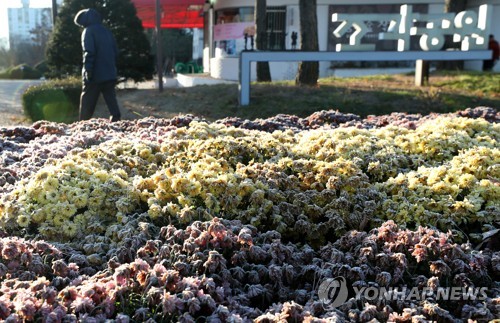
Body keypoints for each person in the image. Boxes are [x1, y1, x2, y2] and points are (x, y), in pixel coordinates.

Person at [74, 8, 121, 122]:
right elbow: (116, 52)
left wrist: (87, 71)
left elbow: (89, 52)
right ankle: (116, 122)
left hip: (94, 75)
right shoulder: (107, 31)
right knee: (111, 101)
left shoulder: (88, 31)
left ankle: (82, 127)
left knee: (87, 102)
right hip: (109, 73)